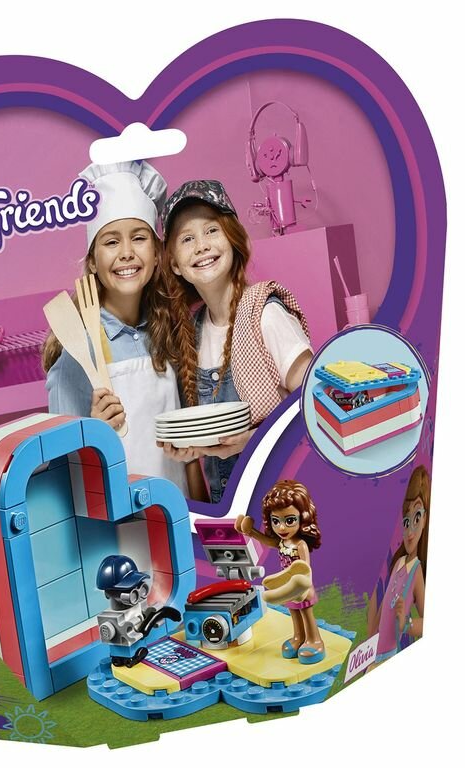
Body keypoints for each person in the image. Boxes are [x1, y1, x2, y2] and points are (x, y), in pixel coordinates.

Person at [43, 161, 204, 497]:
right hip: (118, 522)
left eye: (139, 238)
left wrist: (203, 516)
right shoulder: (77, 351)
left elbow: (188, 457)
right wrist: (93, 434)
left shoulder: (169, 331)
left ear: (157, 253)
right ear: (92, 260)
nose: (127, 253)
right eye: (111, 242)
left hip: (176, 509)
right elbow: (62, 476)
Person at [151, 180, 312, 502]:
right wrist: (191, 448)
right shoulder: (192, 335)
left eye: (211, 230)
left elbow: (318, 407)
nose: (201, 246)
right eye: (187, 239)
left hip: (283, 506)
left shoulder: (265, 314)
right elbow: (209, 439)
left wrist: (251, 440)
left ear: (233, 239)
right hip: (229, 510)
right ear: (175, 264)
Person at [235, 480, 325, 664]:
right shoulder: (283, 542)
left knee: (306, 613)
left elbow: (305, 568)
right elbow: (268, 542)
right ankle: (299, 637)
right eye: (276, 521)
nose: (282, 528)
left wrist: (302, 586)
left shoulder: (300, 544)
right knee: (293, 612)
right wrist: (251, 532)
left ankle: (314, 640)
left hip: (301, 586)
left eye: (289, 520)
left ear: (303, 518)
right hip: (286, 586)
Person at [367, 465, 429, 665]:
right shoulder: (399, 562)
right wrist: (370, 638)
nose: (409, 531)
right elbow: (384, 607)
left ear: (426, 518)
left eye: (417, 517)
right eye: (406, 521)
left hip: (389, 656)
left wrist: (406, 624)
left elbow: (427, 621)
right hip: (373, 654)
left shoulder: (416, 571)